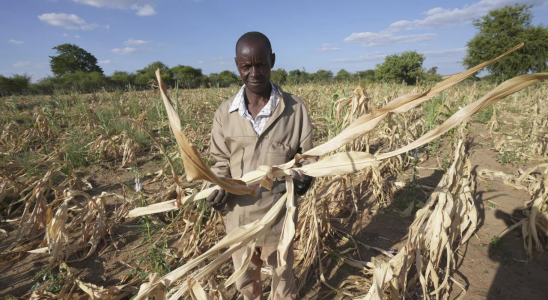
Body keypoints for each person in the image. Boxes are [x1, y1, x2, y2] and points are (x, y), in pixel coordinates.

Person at [206, 31, 315, 300]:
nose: (254, 73)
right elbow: (218, 162)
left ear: (272, 61)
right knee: (245, 282)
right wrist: (216, 188)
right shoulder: (225, 113)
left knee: (283, 280)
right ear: (237, 65)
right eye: (246, 66)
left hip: (278, 216)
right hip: (238, 218)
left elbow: (308, 158)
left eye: (261, 64)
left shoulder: (295, 109)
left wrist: (305, 178)